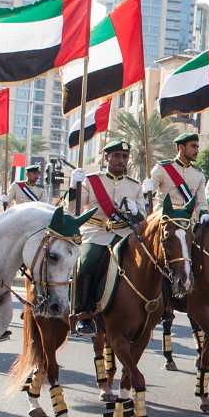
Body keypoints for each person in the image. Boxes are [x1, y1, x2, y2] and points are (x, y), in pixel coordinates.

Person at [68, 141, 146, 336]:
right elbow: (72, 210)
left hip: (124, 236)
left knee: (150, 265)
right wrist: (73, 187)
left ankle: (151, 310)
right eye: (117, 155)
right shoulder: (91, 180)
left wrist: (135, 211)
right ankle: (84, 315)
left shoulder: (135, 186)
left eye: (125, 156)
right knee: (86, 264)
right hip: (96, 233)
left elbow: (143, 220)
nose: (121, 160)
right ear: (107, 157)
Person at [148, 133, 208, 217]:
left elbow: (201, 203)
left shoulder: (199, 174)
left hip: (187, 220)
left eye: (197, 147)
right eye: (193, 146)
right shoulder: (162, 168)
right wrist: (146, 189)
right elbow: (148, 195)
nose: (197, 151)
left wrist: (204, 215)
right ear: (181, 148)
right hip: (165, 218)